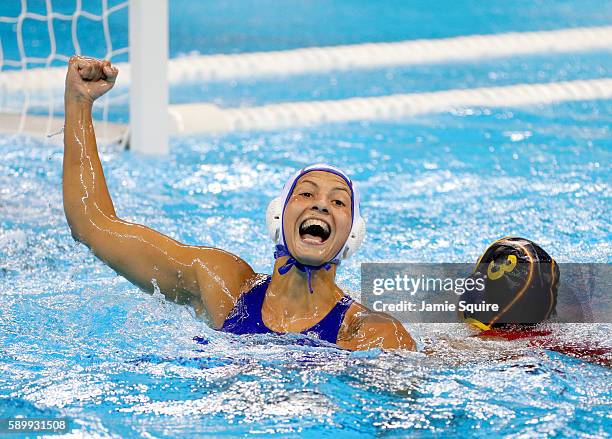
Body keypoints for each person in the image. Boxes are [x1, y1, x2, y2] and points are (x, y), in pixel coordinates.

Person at [62, 56, 416, 351]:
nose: (320, 206)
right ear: (278, 217)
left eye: (338, 202)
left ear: (351, 236)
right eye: (306, 194)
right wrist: (79, 103)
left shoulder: (369, 333)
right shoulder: (224, 285)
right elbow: (92, 225)